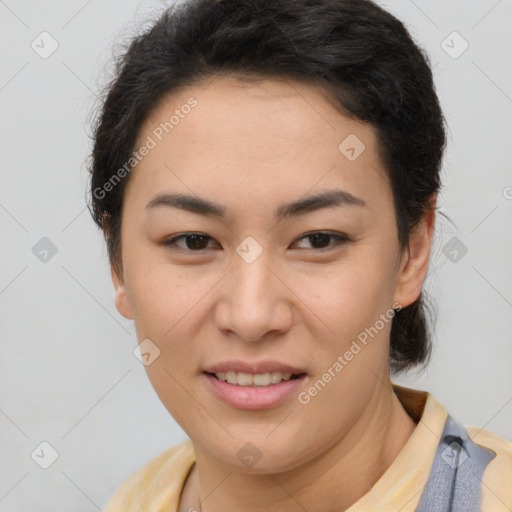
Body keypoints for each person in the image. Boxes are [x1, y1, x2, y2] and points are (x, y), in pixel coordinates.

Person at [87, 0, 512, 510]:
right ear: (118, 264)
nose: (250, 316)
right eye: (194, 241)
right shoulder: (135, 499)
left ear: (412, 253)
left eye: (317, 239)